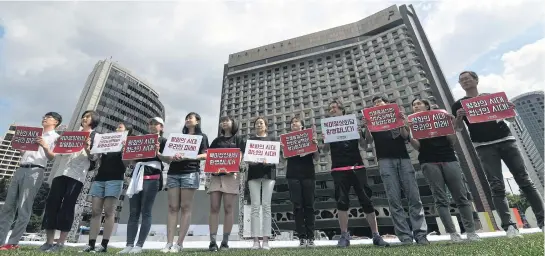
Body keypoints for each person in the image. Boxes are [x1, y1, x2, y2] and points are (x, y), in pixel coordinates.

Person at [452, 71, 544, 237]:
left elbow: (511, 120)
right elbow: (457, 129)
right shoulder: (458, 104)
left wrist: (510, 110)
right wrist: (458, 118)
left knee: (525, 180)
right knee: (496, 185)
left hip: (506, 140)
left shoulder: (491, 98)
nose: (465, 81)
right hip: (483, 146)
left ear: (476, 80)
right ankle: (509, 226)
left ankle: (543, 221)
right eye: (461, 80)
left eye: (468, 78)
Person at [408, 98, 481, 242]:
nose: (416, 106)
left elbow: (452, 141)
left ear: (427, 106)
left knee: (461, 196)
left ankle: (471, 232)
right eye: (414, 105)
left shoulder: (440, 116)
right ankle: (453, 233)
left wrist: (450, 125)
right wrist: (408, 130)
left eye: (418, 104)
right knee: (440, 199)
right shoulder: (412, 123)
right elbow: (417, 147)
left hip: (448, 158)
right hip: (428, 161)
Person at [322, 99, 390, 248]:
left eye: (335, 107)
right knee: (341, 201)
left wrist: (363, 132)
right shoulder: (328, 127)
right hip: (338, 168)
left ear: (342, 110)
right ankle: (344, 235)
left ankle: (375, 235)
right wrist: (325, 139)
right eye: (330, 108)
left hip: (357, 166)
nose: (332, 109)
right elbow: (325, 150)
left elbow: (365, 146)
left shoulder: (352, 124)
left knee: (366, 200)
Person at [361, 96, 428, 245]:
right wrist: (366, 126)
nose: (377, 104)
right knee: (394, 199)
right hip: (384, 161)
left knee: (414, 197)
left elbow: (405, 136)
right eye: (375, 103)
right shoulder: (372, 120)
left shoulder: (395, 116)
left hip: (403, 159)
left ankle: (421, 235)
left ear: (389, 105)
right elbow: (369, 141)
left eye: (380, 102)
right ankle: (405, 236)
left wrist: (402, 122)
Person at [0, 112, 62, 251]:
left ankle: (13, 242)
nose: (44, 119)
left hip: (36, 170)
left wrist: (45, 146)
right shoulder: (33, 133)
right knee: (8, 206)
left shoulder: (56, 137)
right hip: (21, 168)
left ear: (56, 122)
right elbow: (25, 153)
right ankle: (1, 240)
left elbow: (52, 157)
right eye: (44, 117)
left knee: (24, 206)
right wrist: (20, 148)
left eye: (49, 117)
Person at [40, 110, 100, 252]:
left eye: (87, 117)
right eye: (83, 116)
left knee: (68, 205)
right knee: (52, 204)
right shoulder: (70, 134)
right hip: (61, 172)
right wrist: (53, 145)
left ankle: (61, 242)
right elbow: (56, 154)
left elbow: (94, 159)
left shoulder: (95, 136)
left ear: (94, 120)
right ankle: (49, 241)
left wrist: (87, 148)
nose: (84, 118)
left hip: (77, 175)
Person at [80, 122, 134, 253]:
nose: (116, 129)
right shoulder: (106, 141)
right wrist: (88, 149)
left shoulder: (127, 145)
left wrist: (124, 150)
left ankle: (104, 244)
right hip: (100, 179)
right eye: (116, 127)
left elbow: (126, 164)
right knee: (95, 211)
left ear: (127, 131)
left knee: (109, 212)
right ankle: (91, 243)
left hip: (115, 179)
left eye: (120, 127)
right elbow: (94, 158)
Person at [161, 112, 209, 253]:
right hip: (173, 173)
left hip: (190, 172)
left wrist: (188, 155)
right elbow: (168, 155)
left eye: (191, 118)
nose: (188, 120)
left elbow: (205, 154)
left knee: (185, 207)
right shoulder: (177, 138)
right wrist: (171, 156)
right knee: (172, 207)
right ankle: (169, 243)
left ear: (197, 121)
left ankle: (179, 243)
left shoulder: (202, 137)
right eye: (186, 118)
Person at [119, 117, 167, 254]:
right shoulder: (141, 140)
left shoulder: (163, 141)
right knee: (133, 211)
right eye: (150, 123)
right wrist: (126, 151)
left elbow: (169, 159)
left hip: (152, 177)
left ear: (161, 127)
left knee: (146, 211)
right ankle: (129, 244)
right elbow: (130, 162)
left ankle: (139, 245)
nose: (152, 126)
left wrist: (158, 153)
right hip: (137, 175)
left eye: (155, 124)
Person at [206, 116, 245, 251]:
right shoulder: (216, 141)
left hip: (231, 177)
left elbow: (240, 156)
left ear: (233, 123)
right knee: (214, 207)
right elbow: (209, 156)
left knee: (229, 208)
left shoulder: (239, 140)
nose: (224, 123)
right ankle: (212, 241)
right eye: (222, 121)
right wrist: (213, 168)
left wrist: (233, 168)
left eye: (227, 120)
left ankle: (225, 241)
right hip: (216, 177)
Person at [284, 117, 319, 247]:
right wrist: (283, 149)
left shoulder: (309, 138)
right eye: (292, 122)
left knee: (309, 206)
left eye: (296, 122)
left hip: (308, 175)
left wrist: (315, 145)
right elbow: (283, 160)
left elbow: (316, 158)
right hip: (293, 175)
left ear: (303, 127)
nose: (294, 124)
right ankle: (301, 237)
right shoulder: (287, 140)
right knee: (297, 207)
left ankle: (311, 237)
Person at [247, 116, 277, 250]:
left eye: (261, 123)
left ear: (266, 126)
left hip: (268, 174)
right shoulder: (250, 140)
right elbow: (247, 159)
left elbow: (276, 158)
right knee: (254, 206)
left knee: (266, 206)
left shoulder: (272, 139)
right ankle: (255, 240)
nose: (259, 125)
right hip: (253, 175)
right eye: (256, 123)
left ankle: (265, 240)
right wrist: (251, 161)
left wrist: (269, 160)